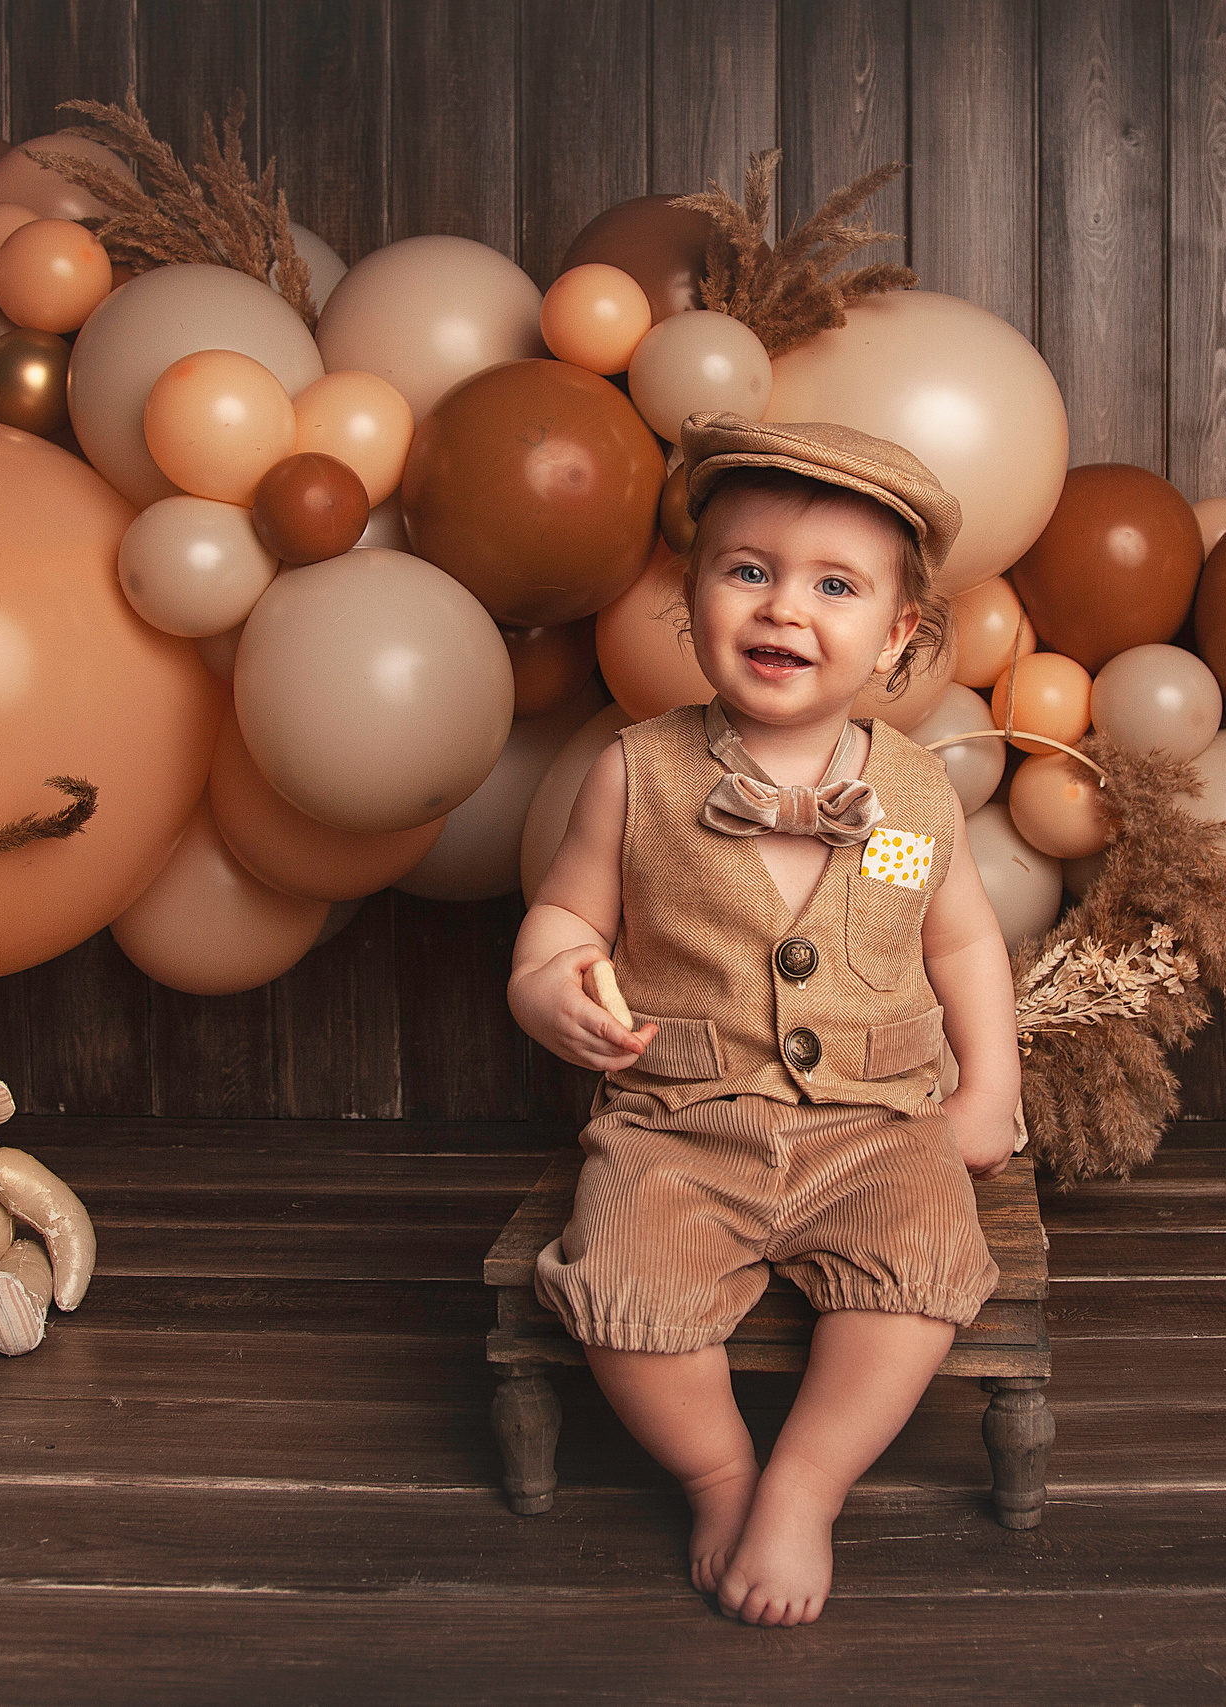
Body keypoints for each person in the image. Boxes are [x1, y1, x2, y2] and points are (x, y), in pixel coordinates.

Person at [507, 412, 1021, 1627]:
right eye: (749, 572)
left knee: (922, 1270)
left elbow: (959, 941)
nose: (784, 610)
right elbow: (562, 920)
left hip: (878, 1119)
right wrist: (551, 987)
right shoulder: (637, 773)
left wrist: (987, 1086)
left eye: (833, 586)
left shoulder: (909, 796)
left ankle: (807, 1480)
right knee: (622, 1289)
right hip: (681, 1119)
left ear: (896, 633)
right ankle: (717, 1471)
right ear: (690, 598)